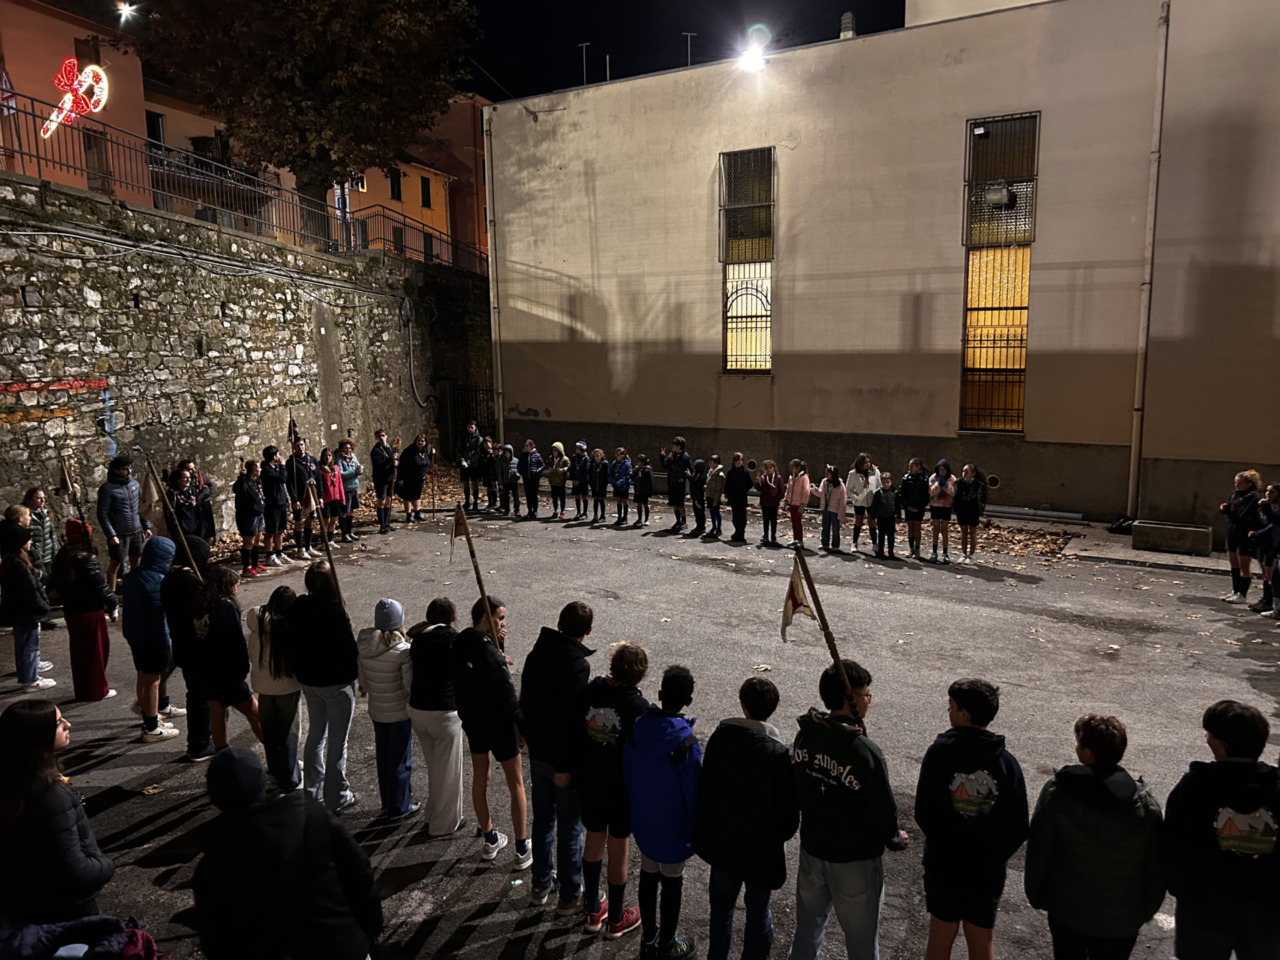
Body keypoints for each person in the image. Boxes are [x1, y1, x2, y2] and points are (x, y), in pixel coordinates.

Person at [193, 747, 383, 960]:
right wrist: (372, 931)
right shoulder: (310, 816)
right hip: (340, 945)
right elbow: (359, 876)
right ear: (262, 781)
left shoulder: (212, 863)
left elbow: (216, 939)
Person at [790, 659, 907, 960]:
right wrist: (895, 838)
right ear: (850, 697)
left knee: (807, 931)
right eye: (865, 694)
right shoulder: (864, 751)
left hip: (813, 849)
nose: (868, 701)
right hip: (855, 860)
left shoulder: (806, 735)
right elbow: (883, 809)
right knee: (861, 943)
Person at [1024, 714, 1165, 960]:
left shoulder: (1058, 794)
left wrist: (1037, 895)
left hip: (1068, 910)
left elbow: (1039, 849)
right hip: (1121, 919)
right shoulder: (1145, 807)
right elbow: (1155, 867)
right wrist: (1146, 910)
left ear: (1088, 754)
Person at [914, 679, 1028, 960]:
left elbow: (924, 811)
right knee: (981, 940)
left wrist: (943, 846)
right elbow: (1017, 824)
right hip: (986, 871)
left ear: (964, 714)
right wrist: (993, 856)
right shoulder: (1006, 763)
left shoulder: (939, 754)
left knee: (940, 938)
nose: (948, 711)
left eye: (951, 707)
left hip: (945, 865)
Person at [1163, 700, 1280, 960]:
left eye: (1209, 734)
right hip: (1267, 914)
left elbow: (1172, 845)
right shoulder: (1276, 789)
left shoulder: (1193, 788)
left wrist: (1182, 889)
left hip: (1204, 912)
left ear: (1220, 743)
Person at [695, 677, 799, 960]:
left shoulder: (720, 739)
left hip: (723, 845)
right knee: (758, 912)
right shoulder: (779, 754)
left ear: (742, 704)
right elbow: (788, 817)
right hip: (760, 854)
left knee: (720, 912)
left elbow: (706, 789)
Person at [0, 701, 114, 924]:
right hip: (66, 908)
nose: (67, 724)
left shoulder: (12, 779)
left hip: (23, 901)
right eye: (58, 723)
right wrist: (106, 866)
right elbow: (74, 871)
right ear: (37, 736)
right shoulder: (49, 795)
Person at [520, 601, 596, 913]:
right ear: (588, 631)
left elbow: (525, 700)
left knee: (543, 821)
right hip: (563, 759)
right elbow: (571, 721)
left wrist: (525, 733)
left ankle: (540, 882)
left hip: (538, 752)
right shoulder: (577, 665)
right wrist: (566, 765)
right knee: (569, 827)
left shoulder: (536, 654)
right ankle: (570, 892)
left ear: (559, 623)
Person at [625, 665, 702, 960]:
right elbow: (693, 793)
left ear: (658, 694)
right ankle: (668, 942)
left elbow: (628, 770)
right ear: (688, 701)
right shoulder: (685, 742)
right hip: (674, 825)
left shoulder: (638, 728)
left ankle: (649, 938)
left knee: (648, 872)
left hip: (644, 818)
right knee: (672, 879)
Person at [575, 642, 650, 939]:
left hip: (591, 780)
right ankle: (616, 918)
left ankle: (593, 909)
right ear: (640, 676)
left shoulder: (591, 692)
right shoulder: (638, 708)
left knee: (593, 839)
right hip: (621, 788)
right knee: (619, 847)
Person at [452, 595, 529, 866]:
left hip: (473, 722)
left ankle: (490, 838)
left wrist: (499, 645)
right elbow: (506, 693)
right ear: (486, 617)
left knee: (480, 778)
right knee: (515, 783)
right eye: (500, 618)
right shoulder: (487, 652)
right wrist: (522, 726)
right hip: (497, 725)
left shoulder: (461, 643)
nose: (503, 623)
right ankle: (522, 848)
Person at [286, 561, 360, 813]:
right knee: (338, 742)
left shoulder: (299, 607)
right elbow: (349, 650)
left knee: (316, 735)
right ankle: (337, 795)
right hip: (336, 682)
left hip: (310, 680)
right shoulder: (334, 611)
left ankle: (313, 792)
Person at [406, 598, 466, 837]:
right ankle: (444, 823)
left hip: (419, 710)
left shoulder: (418, 639)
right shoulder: (453, 639)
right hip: (444, 712)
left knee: (434, 768)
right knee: (449, 772)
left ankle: (432, 814)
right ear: (452, 618)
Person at [357, 599, 419, 820]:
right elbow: (409, 685)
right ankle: (401, 805)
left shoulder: (364, 648)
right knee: (401, 760)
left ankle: (387, 801)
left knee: (383, 758)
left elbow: (363, 682)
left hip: (377, 710)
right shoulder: (403, 651)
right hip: (399, 712)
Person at [194, 566, 264, 750]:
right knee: (255, 713)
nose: (236, 589)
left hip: (206, 669)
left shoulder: (202, 606)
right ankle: (276, 752)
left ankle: (222, 753)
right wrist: (242, 668)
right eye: (236, 585)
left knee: (218, 715)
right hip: (226, 671)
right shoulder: (226, 608)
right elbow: (236, 641)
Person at [121, 536, 182, 741]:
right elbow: (160, 614)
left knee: (143, 676)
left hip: (135, 634)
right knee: (153, 681)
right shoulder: (158, 582)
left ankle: (149, 712)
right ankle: (152, 726)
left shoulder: (134, 576)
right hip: (153, 637)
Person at [161, 535, 216, 762]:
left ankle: (199, 742)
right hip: (195, 645)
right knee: (201, 696)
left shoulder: (170, 578)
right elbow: (202, 613)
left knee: (196, 693)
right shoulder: (189, 581)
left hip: (181, 642)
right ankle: (200, 744)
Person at [49, 519, 117, 702]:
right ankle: (97, 690)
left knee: (80, 652)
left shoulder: (62, 557)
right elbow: (100, 587)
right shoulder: (86, 559)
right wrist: (113, 604)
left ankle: (85, 689)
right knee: (96, 651)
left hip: (72, 610)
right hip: (89, 610)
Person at [246, 585, 302, 791]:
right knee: (289, 733)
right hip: (288, 687)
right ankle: (290, 777)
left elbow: (252, 655)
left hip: (263, 686)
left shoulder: (257, 625)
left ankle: (275, 772)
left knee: (270, 732)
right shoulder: (290, 627)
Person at [0, 520, 54, 692]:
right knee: (30, 646)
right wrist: (43, 608)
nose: (30, 542)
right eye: (27, 540)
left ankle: (27, 675)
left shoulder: (10, 563)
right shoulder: (20, 566)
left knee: (23, 646)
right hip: (27, 613)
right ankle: (30, 680)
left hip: (19, 612)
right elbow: (30, 592)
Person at [96, 455, 151, 591]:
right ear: (116, 470)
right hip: (119, 533)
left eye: (130, 468)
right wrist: (111, 534)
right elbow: (102, 514)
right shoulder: (107, 489)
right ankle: (111, 595)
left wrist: (146, 526)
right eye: (125, 469)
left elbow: (141, 507)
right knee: (116, 564)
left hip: (136, 530)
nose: (129, 471)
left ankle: (133, 590)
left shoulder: (135, 485)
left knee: (136, 562)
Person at [1220, 469, 1263, 603]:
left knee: (1243, 564)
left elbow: (1244, 514)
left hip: (1244, 533)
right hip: (1232, 530)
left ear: (1249, 483)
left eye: (1239, 483)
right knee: (1234, 563)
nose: (1237, 486)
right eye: (1235, 483)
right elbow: (1231, 510)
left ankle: (1242, 594)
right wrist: (1225, 509)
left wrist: (1232, 511)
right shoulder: (1234, 494)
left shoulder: (1254, 497)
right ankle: (1235, 590)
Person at [285, 438, 322, 561]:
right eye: (297, 446)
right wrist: (294, 499)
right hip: (300, 496)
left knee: (310, 520)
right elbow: (289, 482)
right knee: (299, 522)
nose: (300, 448)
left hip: (312, 495)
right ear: (293, 448)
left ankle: (308, 546)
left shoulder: (312, 460)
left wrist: (320, 496)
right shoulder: (291, 463)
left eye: (301, 445)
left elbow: (318, 478)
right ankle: (300, 549)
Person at [1249, 482, 1280, 616]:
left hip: (1274, 543)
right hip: (1265, 542)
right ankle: (1267, 600)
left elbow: (1274, 522)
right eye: (1267, 491)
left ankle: (1271, 603)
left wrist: (1258, 533)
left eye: (1272, 492)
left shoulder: (1276, 507)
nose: (1268, 494)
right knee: (1268, 574)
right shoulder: (1268, 505)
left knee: (1273, 575)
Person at [260, 444, 294, 566]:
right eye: (278, 454)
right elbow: (282, 479)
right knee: (271, 531)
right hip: (272, 505)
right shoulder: (266, 470)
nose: (280, 456)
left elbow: (281, 487)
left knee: (280, 530)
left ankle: (279, 552)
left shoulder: (275, 468)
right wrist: (283, 466)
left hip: (281, 502)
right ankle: (270, 555)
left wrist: (286, 500)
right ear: (274, 456)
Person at [233, 458, 266, 577]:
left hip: (258, 513)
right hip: (247, 516)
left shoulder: (255, 481)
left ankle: (255, 563)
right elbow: (236, 489)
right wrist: (241, 475)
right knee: (249, 541)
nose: (260, 469)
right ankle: (247, 567)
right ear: (253, 470)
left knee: (258, 538)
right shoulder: (243, 482)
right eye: (258, 467)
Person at [21, 487, 55, 590]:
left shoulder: (46, 514)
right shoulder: (26, 516)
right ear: (30, 499)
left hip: (47, 557)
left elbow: (52, 535)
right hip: (34, 559)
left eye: (43, 498)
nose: (42, 500)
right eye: (38, 498)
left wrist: (54, 554)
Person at [845, 454, 880, 553]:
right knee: (858, 521)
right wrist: (856, 499)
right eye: (865, 462)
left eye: (869, 462)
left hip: (871, 501)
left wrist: (877, 498)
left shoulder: (875, 472)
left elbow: (879, 485)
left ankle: (874, 543)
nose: (868, 464)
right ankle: (854, 543)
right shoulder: (853, 473)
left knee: (872, 522)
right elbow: (849, 489)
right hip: (860, 501)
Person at [954, 464, 987, 565]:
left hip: (973, 510)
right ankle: (964, 554)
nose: (964, 474)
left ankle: (971, 555)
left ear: (973, 473)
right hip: (962, 510)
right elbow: (956, 495)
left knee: (972, 532)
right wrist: (956, 508)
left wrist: (980, 510)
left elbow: (982, 498)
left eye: (967, 472)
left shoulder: (979, 484)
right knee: (963, 531)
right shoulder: (959, 482)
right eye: (963, 471)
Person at [397, 434, 431, 523]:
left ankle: (417, 513)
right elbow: (401, 464)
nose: (420, 442)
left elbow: (427, 462)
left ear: (425, 442)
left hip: (420, 478)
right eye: (418, 440)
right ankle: (408, 516)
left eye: (422, 441)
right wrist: (400, 477)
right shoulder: (409, 451)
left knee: (417, 496)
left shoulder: (424, 451)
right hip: (409, 477)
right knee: (408, 496)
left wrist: (432, 454)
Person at [661, 438, 693, 532]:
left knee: (680, 504)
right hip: (672, 482)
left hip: (679, 484)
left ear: (679, 446)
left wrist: (684, 476)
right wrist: (662, 456)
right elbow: (664, 466)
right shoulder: (671, 455)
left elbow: (690, 469)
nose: (672, 447)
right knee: (674, 503)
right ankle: (678, 521)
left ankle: (683, 523)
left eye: (674, 445)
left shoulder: (685, 457)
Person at [370, 429, 398, 534]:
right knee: (381, 500)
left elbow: (395, 460)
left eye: (383, 435)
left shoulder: (390, 447)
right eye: (379, 436)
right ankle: (382, 525)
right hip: (380, 479)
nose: (381, 438)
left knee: (388, 500)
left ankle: (387, 522)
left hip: (390, 478)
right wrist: (391, 461)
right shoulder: (375, 451)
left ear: (386, 436)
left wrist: (396, 462)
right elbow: (379, 465)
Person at [901, 458, 931, 560]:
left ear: (918, 467)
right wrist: (907, 506)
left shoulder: (924, 479)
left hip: (919, 508)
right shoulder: (906, 478)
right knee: (910, 527)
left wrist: (919, 507)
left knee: (917, 527)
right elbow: (902, 493)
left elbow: (925, 496)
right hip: (909, 507)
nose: (910, 468)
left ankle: (917, 548)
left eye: (912, 466)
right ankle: (911, 548)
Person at [929, 459, 957, 564]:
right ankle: (934, 552)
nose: (942, 471)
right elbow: (932, 492)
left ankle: (945, 553)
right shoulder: (933, 478)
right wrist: (938, 484)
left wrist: (945, 484)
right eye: (940, 469)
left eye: (943, 469)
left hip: (946, 506)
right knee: (935, 529)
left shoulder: (951, 478)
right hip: (935, 506)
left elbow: (952, 492)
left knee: (944, 529)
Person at [815, 465, 847, 553]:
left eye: (828, 474)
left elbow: (843, 501)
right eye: (826, 473)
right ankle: (824, 543)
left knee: (835, 528)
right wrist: (813, 489)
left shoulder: (840, 485)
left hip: (835, 510)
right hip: (826, 508)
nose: (826, 475)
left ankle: (835, 545)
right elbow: (821, 493)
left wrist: (841, 513)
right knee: (825, 526)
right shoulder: (824, 482)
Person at [336, 438, 363, 542]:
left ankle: (349, 531)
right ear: (341, 448)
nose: (348, 450)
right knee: (344, 512)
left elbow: (359, 468)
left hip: (354, 487)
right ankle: (344, 534)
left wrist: (360, 470)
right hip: (345, 489)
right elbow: (341, 474)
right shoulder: (339, 459)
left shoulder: (353, 457)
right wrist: (354, 472)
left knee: (351, 511)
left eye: (349, 448)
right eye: (346, 448)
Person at [165, 467, 203, 541]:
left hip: (194, 526)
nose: (188, 480)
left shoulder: (192, 490)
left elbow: (198, 508)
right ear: (177, 480)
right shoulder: (172, 494)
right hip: (181, 529)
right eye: (185, 478)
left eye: (189, 477)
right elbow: (169, 515)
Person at [317, 447, 345, 544]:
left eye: (329, 455)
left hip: (335, 498)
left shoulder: (336, 468)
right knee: (326, 520)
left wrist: (342, 499)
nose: (327, 457)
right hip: (325, 499)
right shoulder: (320, 470)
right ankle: (324, 541)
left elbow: (340, 484)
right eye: (325, 455)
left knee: (333, 519)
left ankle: (330, 539)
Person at [755, 460, 785, 546]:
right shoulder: (763, 477)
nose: (768, 469)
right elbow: (759, 489)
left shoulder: (778, 478)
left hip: (774, 503)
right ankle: (765, 535)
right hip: (765, 502)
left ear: (774, 468)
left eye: (770, 467)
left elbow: (782, 489)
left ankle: (773, 536)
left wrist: (777, 499)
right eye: (766, 468)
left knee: (773, 520)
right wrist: (757, 482)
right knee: (765, 520)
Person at [871, 471, 900, 559]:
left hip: (891, 517)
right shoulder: (878, 493)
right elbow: (874, 506)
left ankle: (891, 551)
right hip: (881, 517)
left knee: (891, 536)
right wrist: (873, 517)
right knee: (881, 535)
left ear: (891, 482)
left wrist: (898, 516)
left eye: (888, 482)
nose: (886, 484)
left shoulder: (895, 492)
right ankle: (881, 551)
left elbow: (897, 505)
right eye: (883, 482)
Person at [725, 452, 753, 542]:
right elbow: (727, 484)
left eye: (741, 460)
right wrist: (727, 493)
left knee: (742, 516)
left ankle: (741, 533)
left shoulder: (745, 472)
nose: (739, 462)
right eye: (737, 460)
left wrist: (743, 489)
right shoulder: (730, 472)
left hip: (742, 497)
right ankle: (737, 531)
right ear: (734, 461)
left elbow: (750, 483)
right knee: (735, 516)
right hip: (733, 497)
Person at [783, 459, 811, 548]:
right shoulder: (792, 477)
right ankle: (795, 539)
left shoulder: (804, 478)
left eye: (793, 468)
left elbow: (806, 492)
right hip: (792, 503)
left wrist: (803, 505)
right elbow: (788, 490)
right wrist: (786, 500)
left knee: (798, 522)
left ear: (798, 468)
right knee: (793, 522)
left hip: (799, 504)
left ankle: (800, 540)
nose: (792, 470)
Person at [457, 420, 483, 512]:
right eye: (469, 427)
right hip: (464, 464)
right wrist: (462, 460)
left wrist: (469, 462)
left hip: (474, 465)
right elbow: (458, 450)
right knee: (465, 483)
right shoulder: (462, 438)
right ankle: (467, 501)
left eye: (472, 427)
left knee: (474, 483)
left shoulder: (479, 439)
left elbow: (478, 453)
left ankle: (475, 502)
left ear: (475, 428)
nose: (470, 429)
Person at [519, 439, 545, 519]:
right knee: (528, 495)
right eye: (525, 446)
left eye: (527, 446)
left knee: (534, 494)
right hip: (526, 478)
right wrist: (522, 472)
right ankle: (529, 510)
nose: (525, 447)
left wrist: (537, 472)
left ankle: (535, 510)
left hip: (534, 479)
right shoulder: (523, 455)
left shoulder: (536, 455)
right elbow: (519, 465)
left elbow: (542, 465)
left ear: (531, 446)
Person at [546, 441, 571, 520]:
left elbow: (569, 466)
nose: (554, 452)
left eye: (555, 450)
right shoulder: (551, 458)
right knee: (554, 497)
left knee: (562, 497)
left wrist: (564, 469)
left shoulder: (564, 459)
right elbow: (547, 464)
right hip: (553, 481)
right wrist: (549, 468)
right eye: (553, 450)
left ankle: (562, 511)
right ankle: (555, 510)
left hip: (561, 481)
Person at [610, 446, 633, 526]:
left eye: (618, 455)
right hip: (616, 484)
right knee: (618, 500)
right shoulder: (614, 463)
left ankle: (625, 518)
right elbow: (611, 472)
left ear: (623, 455)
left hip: (623, 485)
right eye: (616, 454)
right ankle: (619, 517)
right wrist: (613, 481)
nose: (617, 456)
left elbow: (627, 476)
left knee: (624, 500)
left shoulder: (627, 464)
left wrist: (620, 482)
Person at [705, 454, 726, 538]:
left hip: (714, 496)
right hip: (709, 495)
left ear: (716, 463)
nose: (709, 464)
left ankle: (718, 528)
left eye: (711, 462)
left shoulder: (719, 475)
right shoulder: (710, 472)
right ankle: (714, 527)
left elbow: (718, 489)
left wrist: (716, 500)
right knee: (711, 511)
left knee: (716, 512)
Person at [588, 447, 610, 524]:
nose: (596, 458)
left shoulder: (605, 464)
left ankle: (603, 516)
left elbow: (606, 475)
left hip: (601, 485)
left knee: (601, 499)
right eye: (595, 456)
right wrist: (591, 483)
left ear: (601, 456)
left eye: (598, 456)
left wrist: (605, 484)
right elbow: (590, 474)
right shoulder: (592, 464)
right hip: (594, 485)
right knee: (595, 500)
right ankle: (595, 515)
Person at [500, 443, 523, 518]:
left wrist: (517, 475)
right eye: (505, 453)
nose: (507, 455)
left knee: (516, 496)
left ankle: (517, 510)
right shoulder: (501, 462)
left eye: (508, 453)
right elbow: (499, 473)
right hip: (505, 481)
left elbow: (519, 470)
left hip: (513, 481)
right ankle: (506, 510)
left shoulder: (516, 461)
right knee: (506, 496)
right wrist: (500, 483)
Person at [570, 440, 591, 520]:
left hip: (583, 481)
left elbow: (586, 471)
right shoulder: (574, 457)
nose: (576, 449)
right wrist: (573, 479)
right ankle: (578, 512)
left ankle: (585, 513)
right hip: (575, 480)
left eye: (577, 448)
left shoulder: (586, 458)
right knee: (577, 496)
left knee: (584, 496)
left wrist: (580, 480)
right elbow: (572, 469)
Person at [633, 453, 655, 528]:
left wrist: (650, 491)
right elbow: (633, 478)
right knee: (638, 504)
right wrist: (632, 473)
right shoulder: (637, 469)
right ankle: (639, 519)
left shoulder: (647, 470)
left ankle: (646, 519)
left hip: (644, 490)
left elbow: (650, 481)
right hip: (638, 489)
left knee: (645, 504)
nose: (637, 463)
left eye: (638, 461)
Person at [689, 459, 708, 537]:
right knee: (696, 512)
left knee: (700, 512)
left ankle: (701, 527)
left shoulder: (701, 477)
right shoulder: (695, 474)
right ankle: (698, 526)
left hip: (699, 497)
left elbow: (698, 485)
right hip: (694, 496)